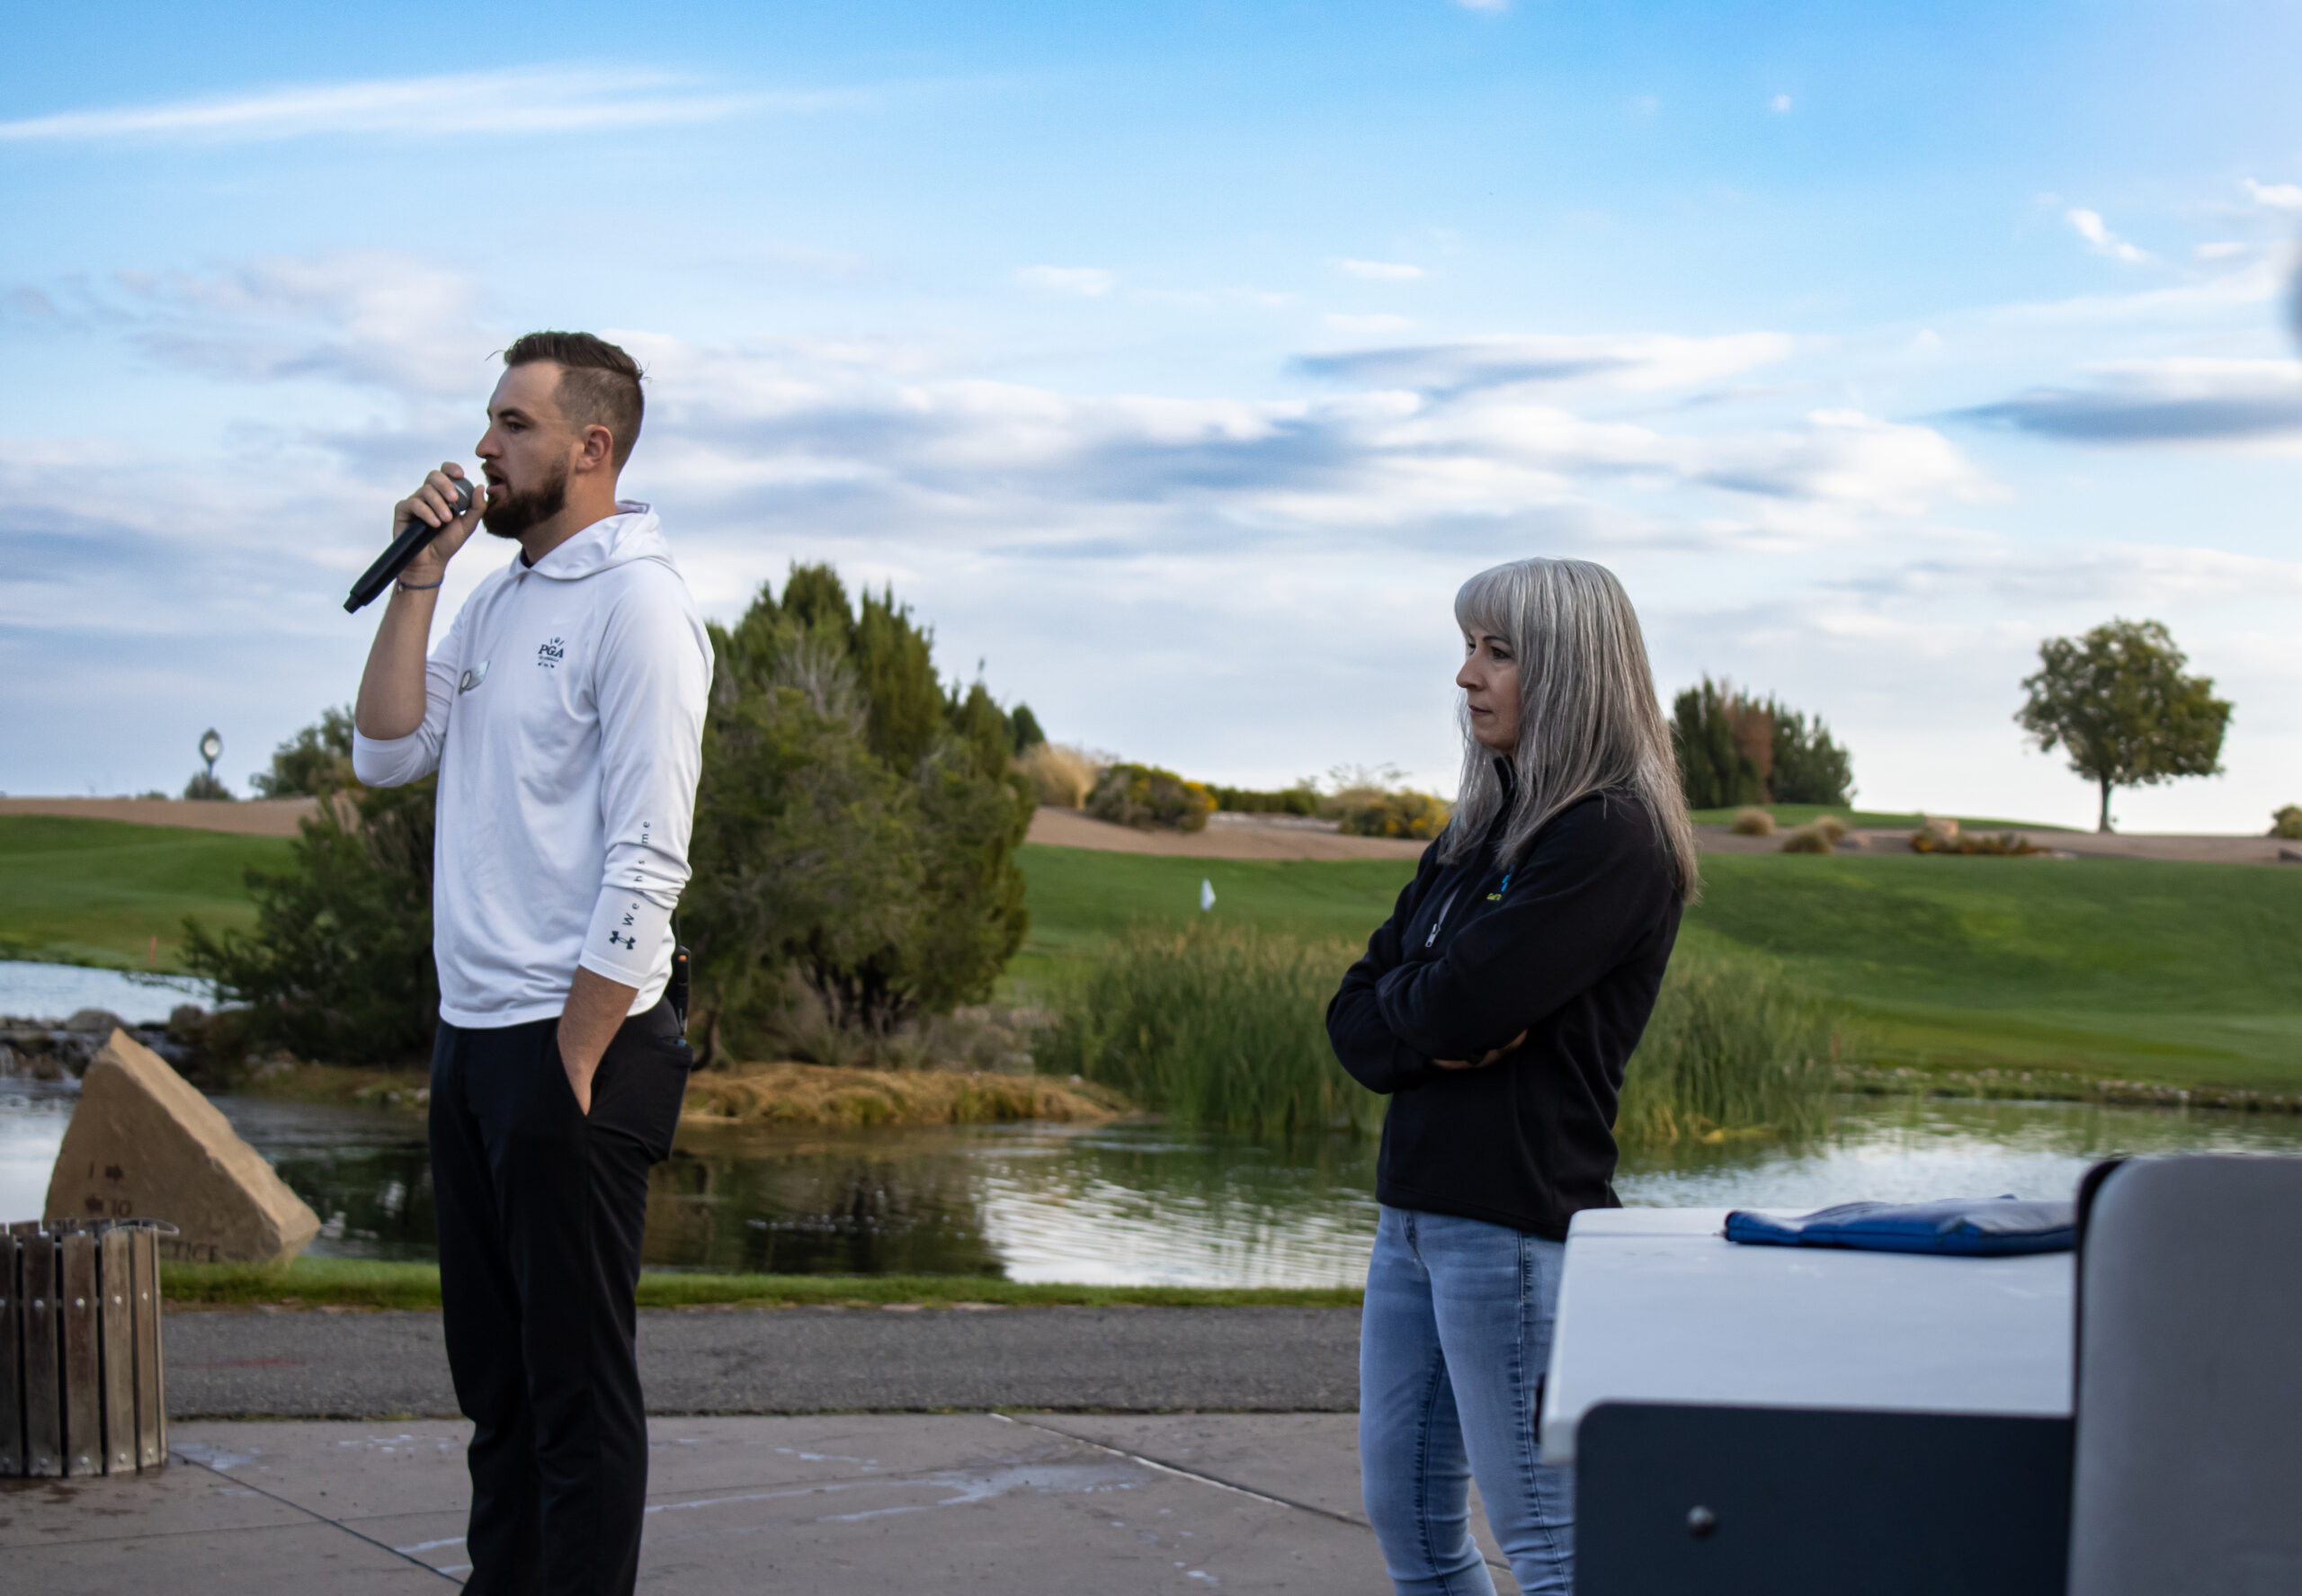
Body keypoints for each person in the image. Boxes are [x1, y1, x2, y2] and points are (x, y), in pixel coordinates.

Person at [352, 331, 712, 1594]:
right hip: (471, 1039)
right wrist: (421, 575)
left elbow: (649, 856)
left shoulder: (642, 606)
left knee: (577, 1397)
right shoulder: (497, 598)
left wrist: (574, 1052)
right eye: (489, 420)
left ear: (591, 446)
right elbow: (385, 752)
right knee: (496, 1390)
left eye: (514, 424)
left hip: (574, 1045)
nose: (483, 446)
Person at [1326, 557, 1700, 1596]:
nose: (1467, 675)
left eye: (1498, 652)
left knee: (1547, 1541)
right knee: (1410, 1521)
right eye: (1468, 647)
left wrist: (1426, 1008)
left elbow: (1455, 1007)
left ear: (1570, 669)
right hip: (1412, 1215)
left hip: (1513, 1229)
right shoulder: (1480, 827)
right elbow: (1356, 1016)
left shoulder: (1610, 835)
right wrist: (1426, 1014)